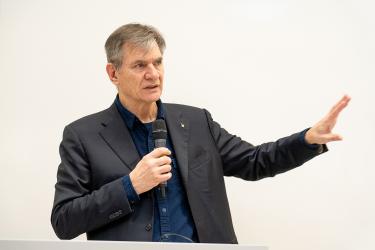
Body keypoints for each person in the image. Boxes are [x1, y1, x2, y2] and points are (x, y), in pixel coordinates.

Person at [51, 23, 350, 243]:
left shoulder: (195, 122)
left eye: (157, 62)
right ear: (113, 74)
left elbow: (255, 161)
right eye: (140, 65)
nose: (153, 74)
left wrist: (307, 140)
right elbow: (64, 221)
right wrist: (130, 185)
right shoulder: (83, 135)